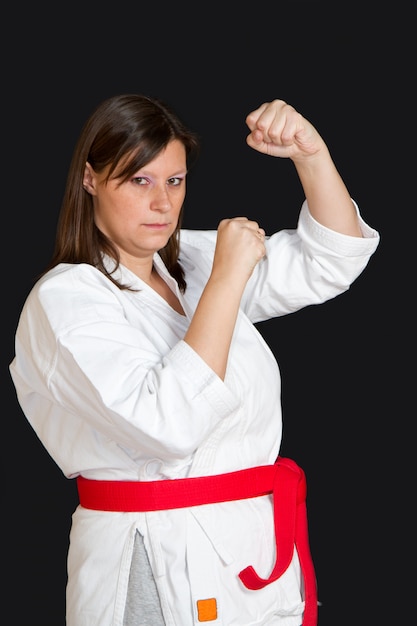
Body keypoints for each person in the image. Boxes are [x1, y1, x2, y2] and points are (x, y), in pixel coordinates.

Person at [9, 93, 379, 626]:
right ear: (90, 179)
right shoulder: (66, 298)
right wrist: (229, 278)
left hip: (250, 548)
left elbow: (330, 261)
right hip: (155, 558)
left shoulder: (191, 264)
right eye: (140, 180)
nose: (162, 203)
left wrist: (311, 155)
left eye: (174, 181)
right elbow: (167, 426)